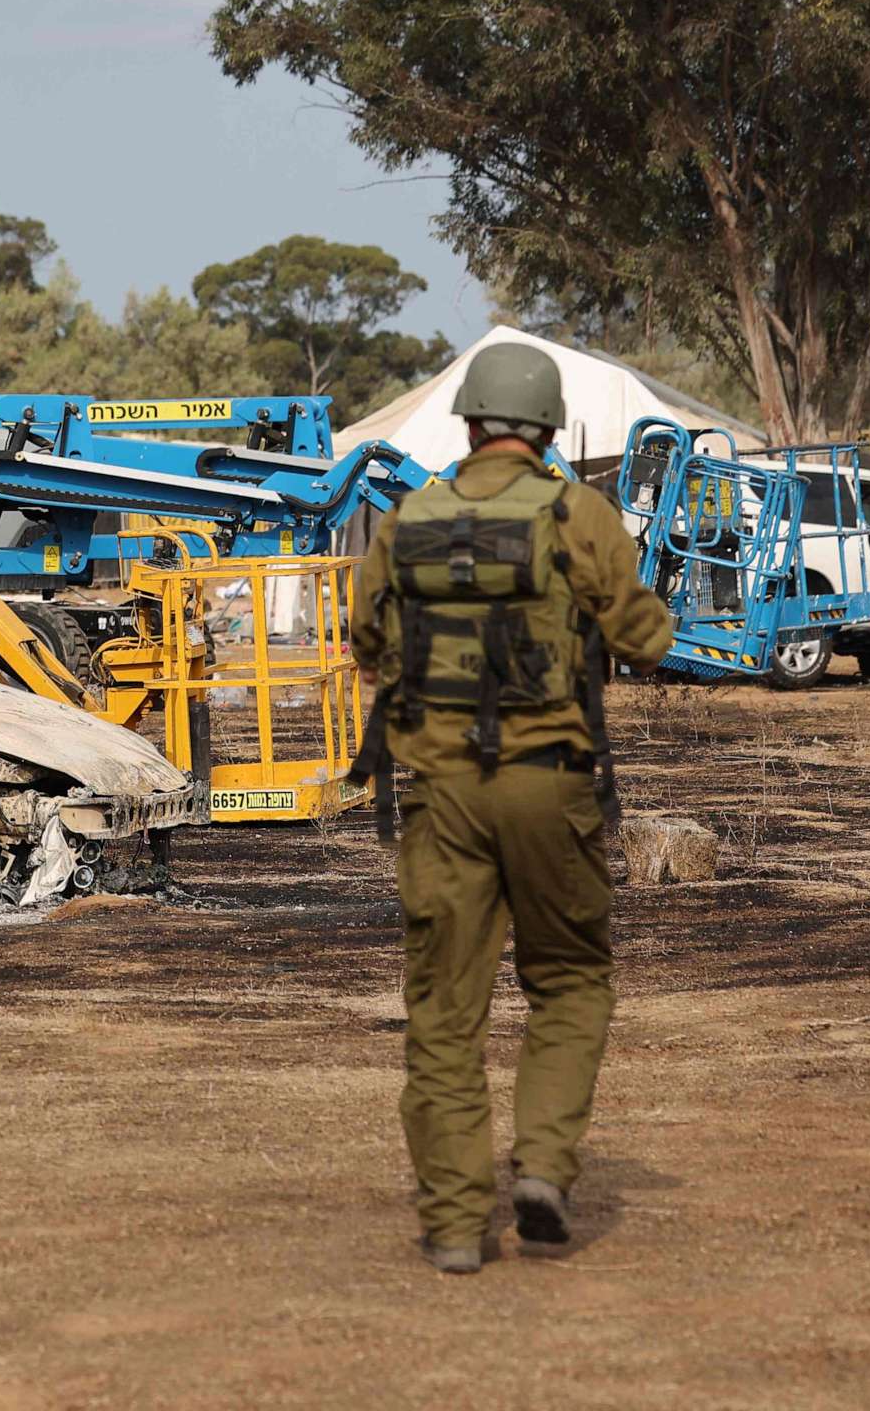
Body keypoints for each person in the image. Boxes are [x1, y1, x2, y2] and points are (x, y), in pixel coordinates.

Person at [349, 344, 676, 1274]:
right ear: (547, 429)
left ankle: (456, 1225)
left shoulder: (405, 519)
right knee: (570, 980)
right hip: (552, 786)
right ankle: (540, 1168)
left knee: (445, 1010)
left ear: (469, 422)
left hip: (440, 797)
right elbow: (646, 639)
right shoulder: (579, 514)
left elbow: (366, 639)